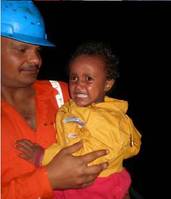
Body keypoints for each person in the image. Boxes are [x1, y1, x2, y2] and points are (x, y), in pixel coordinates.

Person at [1, 1, 109, 199]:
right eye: (22, 49)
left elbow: (112, 138)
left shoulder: (64, 93)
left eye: (38, 51)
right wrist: (48, 180)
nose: (36, 60)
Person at [16, 41, 142, 199]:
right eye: (74, 78)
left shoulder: (109, 119)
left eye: (88, 78)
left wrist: (44, 156)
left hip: (98, 184)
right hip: (76, 183)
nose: (79, 84)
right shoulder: (71, 108)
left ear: (107, 83)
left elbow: (94, 154)